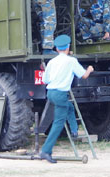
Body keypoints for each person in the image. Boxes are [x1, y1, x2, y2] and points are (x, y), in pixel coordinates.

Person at [39, 34, 94, 163]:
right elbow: (84, 76)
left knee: (69, 106)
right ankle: (45, 151)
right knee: (58, 123)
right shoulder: (71, 61)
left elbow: (45, 80)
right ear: (68, 47)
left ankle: (74, 130)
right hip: (60, 93)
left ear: (57, 49)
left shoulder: (52, 62)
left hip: (50, 93)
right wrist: (90, 69)